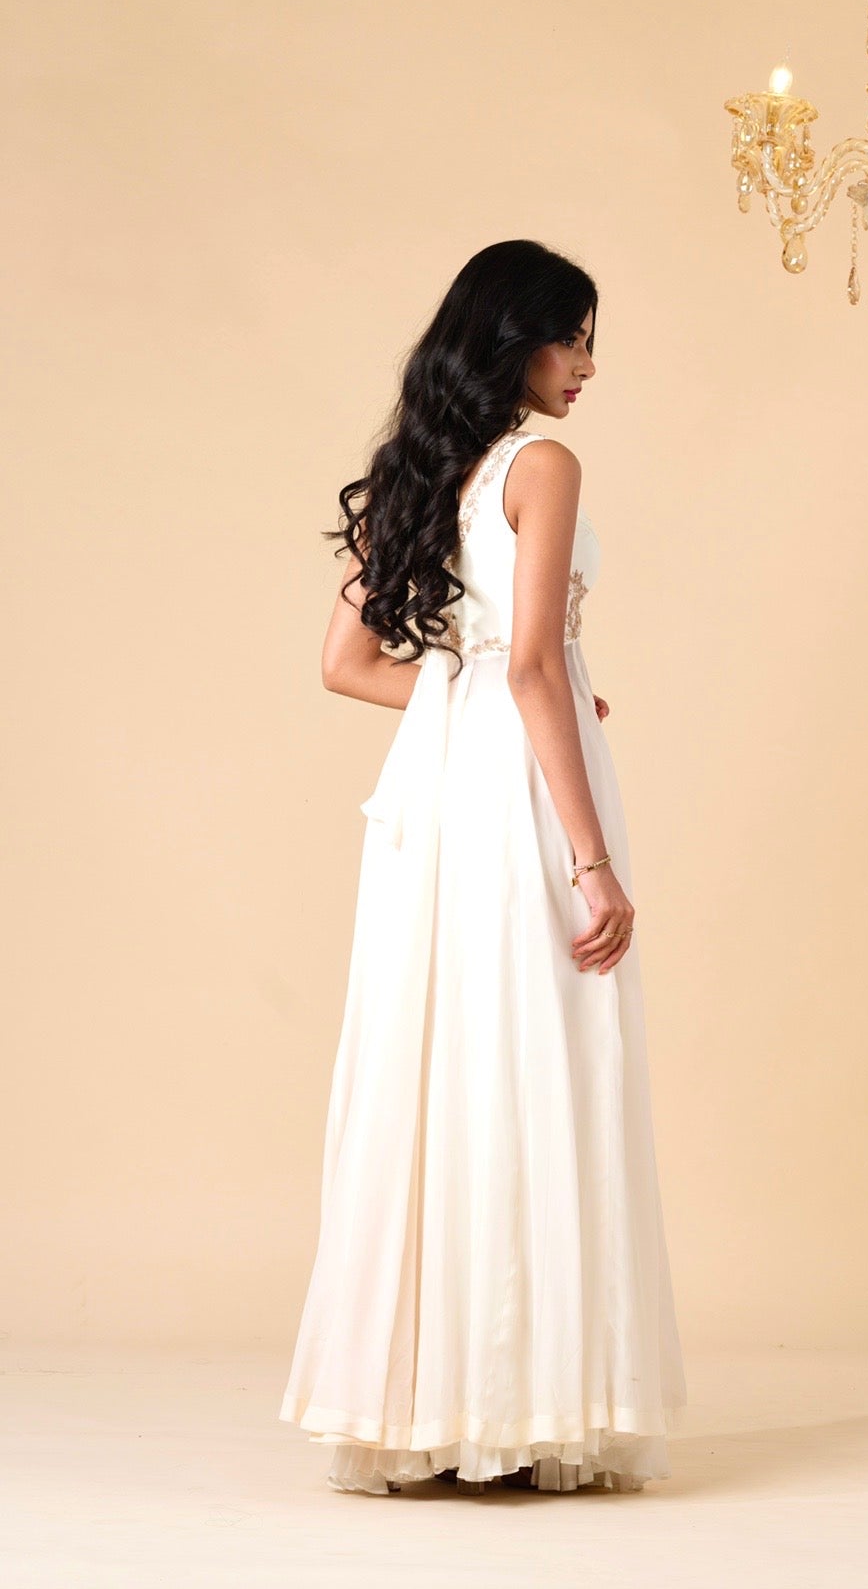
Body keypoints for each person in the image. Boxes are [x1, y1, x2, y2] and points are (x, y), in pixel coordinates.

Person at [278, 239, 688, 1495]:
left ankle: (428, 1407)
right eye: (573, 338)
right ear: (518, 342)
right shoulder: (543, 463)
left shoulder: (427, 466)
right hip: (512, 809)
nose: (589, 365)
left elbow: (350, 664)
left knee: (441, 1065)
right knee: (533, 1064)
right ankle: (530, 1402)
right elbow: (530, 666)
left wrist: (473, 701)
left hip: (434, 805)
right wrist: (595, 858)